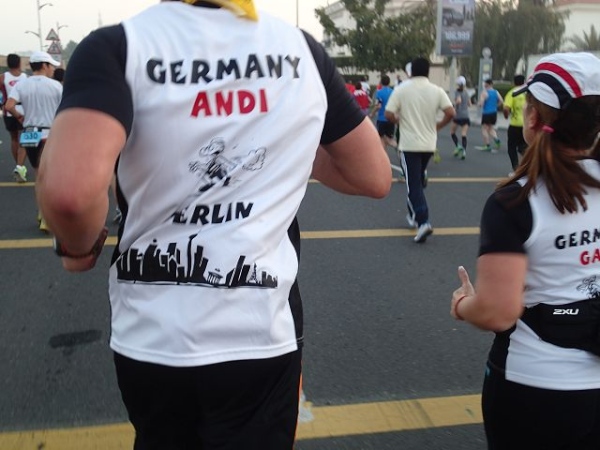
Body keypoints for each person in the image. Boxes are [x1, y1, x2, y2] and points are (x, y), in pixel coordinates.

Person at [36, 1, 392, 449]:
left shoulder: (118, 47)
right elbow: (373, 176)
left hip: (152, 336)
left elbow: (69, 194)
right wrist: (285, 147)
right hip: (259, 332)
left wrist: (79, 247)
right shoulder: (301, 51)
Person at [450, 52, 600, 450]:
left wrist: (463, 304)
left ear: (532, 119)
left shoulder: (515, 201)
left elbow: (497, 313)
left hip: (535, 386)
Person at [385, 57, 455, 243]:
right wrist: (438, 126)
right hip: (429, 144)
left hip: (409, 144)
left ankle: (423, 221)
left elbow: (388, 113)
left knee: (413, 184)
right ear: (428, 71)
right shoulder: (437, 90)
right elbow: (450, 113)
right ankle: (412, 214)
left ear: (411, 72)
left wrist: (399, 121)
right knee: (416, 180)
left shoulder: (402, 90)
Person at [5, 51, 62, 232]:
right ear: (44, 65)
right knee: (50, 177)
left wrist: (20, 117)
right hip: (49, 133)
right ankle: (48, 216)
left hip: (30, 133)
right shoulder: (56, 86)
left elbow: (9, 106)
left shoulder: (22, 84)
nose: (52, 69)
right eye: (51, 66)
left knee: (38, 175)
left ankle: (42, 213)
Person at [0, 53, 28, 182]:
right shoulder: (25, 77)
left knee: (14, 138)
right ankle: (20, 165)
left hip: (9, 111)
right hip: (23, 111)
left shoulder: (3, 77)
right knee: (24, 138)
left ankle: (18, 164)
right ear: (19, 63)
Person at [503, 74, 527, 173]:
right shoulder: (527, 93)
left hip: (515, 124)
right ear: (524, 82)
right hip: (526, 125)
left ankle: (516, 170)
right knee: (523, 147)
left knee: (511, 147)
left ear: (514, 82)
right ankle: (528, 167)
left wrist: (506, 116)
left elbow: (506, 108)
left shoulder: (512, 93)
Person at [478, 78, 503, 152]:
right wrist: (496, 106)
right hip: (494, 112)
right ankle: (497, 140)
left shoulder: (484, 93)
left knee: (484, 129)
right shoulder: (496, 92)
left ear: (486, 84)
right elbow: (501, 101)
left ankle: (487, 145)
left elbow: (481, 104)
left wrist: (479, 104)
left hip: (486, 113)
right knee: (491, 128)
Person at [371, 74, 396, 149]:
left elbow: (378, 106)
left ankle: (396, 145)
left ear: (381, 82)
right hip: (391, 118)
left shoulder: (379, 92)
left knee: (382, 139)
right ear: (389, 82)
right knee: (387, 139)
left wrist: (372, 113)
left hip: (382, 119)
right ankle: (387, 154)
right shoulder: (393, 92)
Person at [450, 75, 471, 160]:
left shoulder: (457, 92)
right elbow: (470, 104)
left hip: (458, 115)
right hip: (466, 115)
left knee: (452, 132)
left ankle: (458, 146)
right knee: (464, 134)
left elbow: (458, 101)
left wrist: (454, 105)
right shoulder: (466, 92)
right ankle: (464, 151)